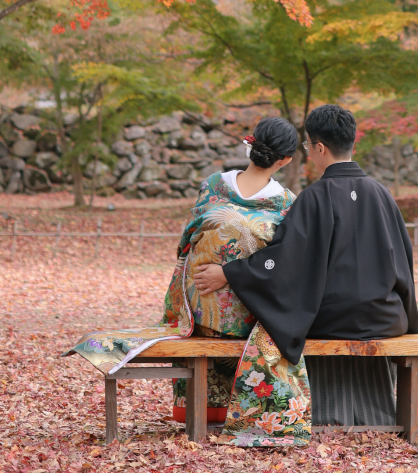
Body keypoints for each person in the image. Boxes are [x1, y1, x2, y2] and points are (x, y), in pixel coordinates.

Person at [69, 116, 312, 449]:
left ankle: (208, 405)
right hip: (250, 315)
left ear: (251, 146)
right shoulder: (285, 202)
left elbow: (187, 239)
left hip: (199, 313)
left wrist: (219, 267)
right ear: (284, 160)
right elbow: (281, 263)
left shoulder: (214, 184)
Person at [194, 103, 418, 428]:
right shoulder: (381, 194)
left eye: (308, 147)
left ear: (319, 147)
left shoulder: (314, 198)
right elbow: (404, 260)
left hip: (330, 320)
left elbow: (282, 262)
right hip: (387, 318)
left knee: (290, 321)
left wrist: (229, 272)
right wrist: (408, 314)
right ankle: (377, 414)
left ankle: (321, 415)